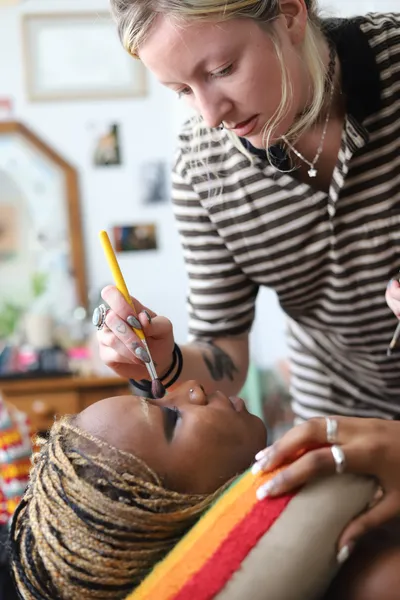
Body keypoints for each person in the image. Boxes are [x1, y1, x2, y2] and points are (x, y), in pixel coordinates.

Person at [8, 382, 400, 600]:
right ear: (186, 513)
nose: (190, 387)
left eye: (155, 395)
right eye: (172, 418)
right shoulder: (379, 578)